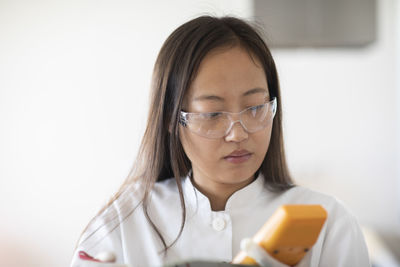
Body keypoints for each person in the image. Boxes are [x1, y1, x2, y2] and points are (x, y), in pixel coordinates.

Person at [71, 16, 370, 267]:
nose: (238, 134)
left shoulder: (329, 223)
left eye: (255, 108)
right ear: (171, 120)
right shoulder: (123, 224)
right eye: (212, 114)